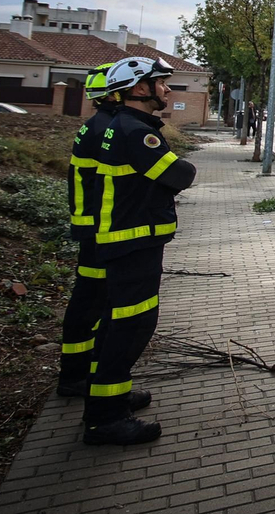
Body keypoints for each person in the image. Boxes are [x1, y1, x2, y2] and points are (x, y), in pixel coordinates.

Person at [81, 56, 197, 445]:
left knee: (116, 324)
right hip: (133, 242)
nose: (167, 89)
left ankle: (109, 397)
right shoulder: (136, 132)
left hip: (125, 240)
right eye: (160, 83)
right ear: (139, 88)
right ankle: (105, 420)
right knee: (130, 327)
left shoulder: (121, 125)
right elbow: (181, 174)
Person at [56, 63, 128, 400]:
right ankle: (76, 376)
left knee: (91, 301)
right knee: (91, 303)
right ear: (114, 94)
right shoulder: (107, 129)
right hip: (97, 233)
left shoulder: (97, 125)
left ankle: (79, 371)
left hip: (91, 229)